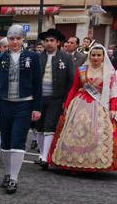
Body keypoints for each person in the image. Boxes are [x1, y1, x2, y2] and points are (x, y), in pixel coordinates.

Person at [0, 24, 42, 194]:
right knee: (6, 141)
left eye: (18, 38)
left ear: (23, 39)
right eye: (12, 38)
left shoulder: (32, 58)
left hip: (24, 104)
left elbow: (37, 85)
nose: (15, 42)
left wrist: (37, 107)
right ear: (7, 40)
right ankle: (7, 173)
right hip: (4, 104)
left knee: (18, 140)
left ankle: (14, 178)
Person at [48, 44, 117, 172]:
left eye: (98, 55)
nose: (95, 57)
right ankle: (70, 161)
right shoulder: (82, 70)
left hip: (99, 105)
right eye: (93, 55)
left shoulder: (110, 73)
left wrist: (113, 108)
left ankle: (93, 163)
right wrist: (67, 104)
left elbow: (113, 92)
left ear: (103, 57)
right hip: (79, 104)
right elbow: (74, 88)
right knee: (73, 133)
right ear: (89, 56)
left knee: (97, 133)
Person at [34, 29, 75, 168]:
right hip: (39, 98)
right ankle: (41, 154)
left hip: (56, 98)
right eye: (46, 41)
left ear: (58, 42)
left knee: (49, 126)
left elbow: (71, 80)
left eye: (52, 41)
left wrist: (67, 100)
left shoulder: (66, 58)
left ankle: (45, 157)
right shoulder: (37, 57)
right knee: (38, 127)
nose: (49, 43)